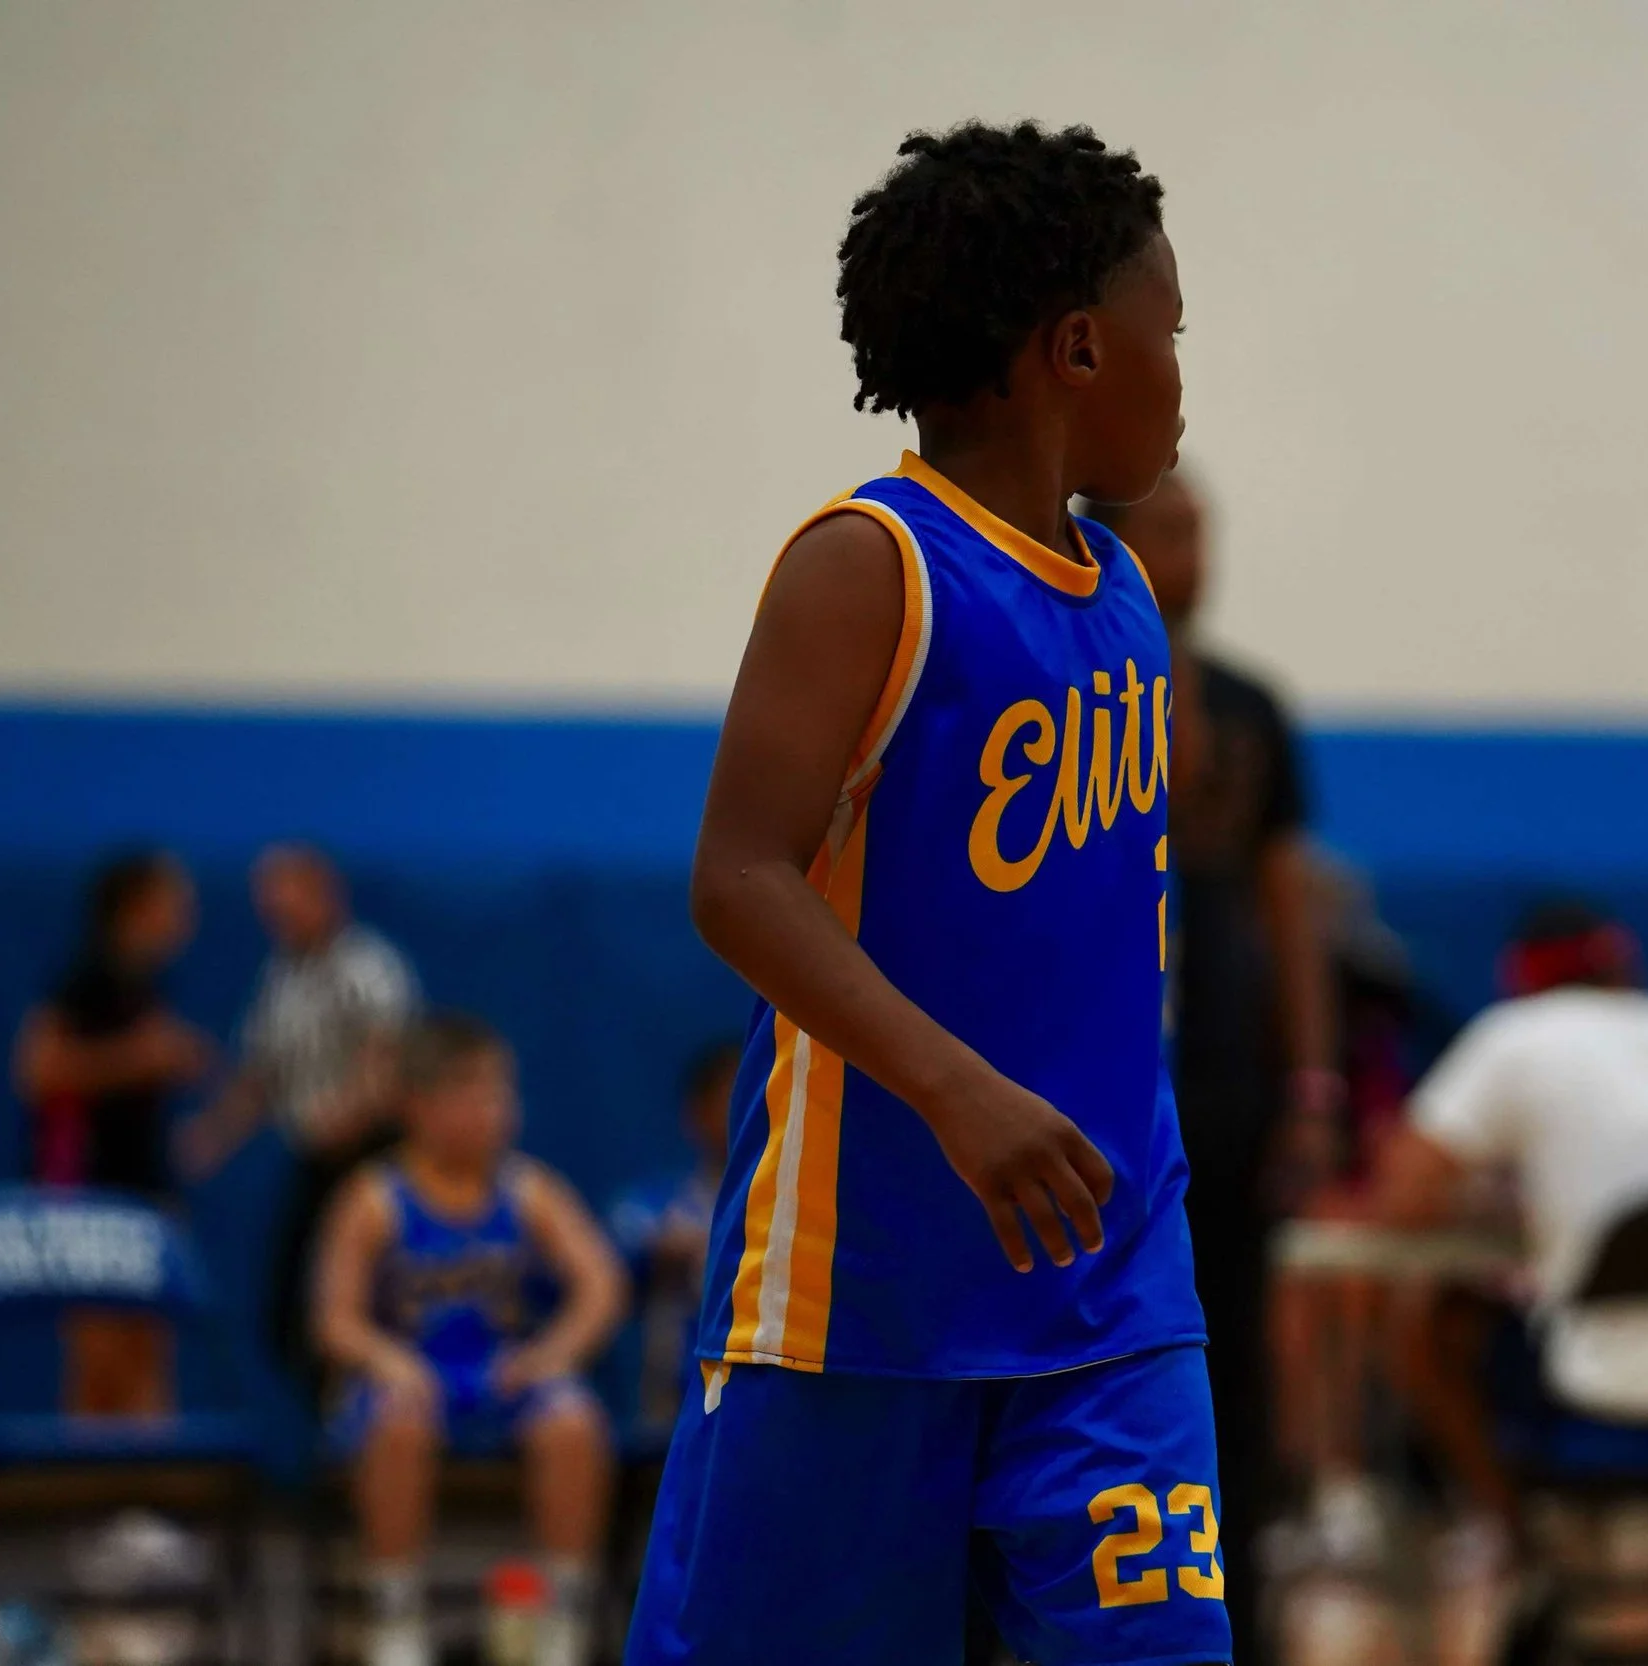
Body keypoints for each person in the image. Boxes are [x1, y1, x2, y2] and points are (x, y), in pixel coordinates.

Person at [625, 124, 1223, 1666]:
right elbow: (738, 876)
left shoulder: (1131, 594)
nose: (1184, 370)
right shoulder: (869, 563)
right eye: (1172, 332)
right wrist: (959, 1089)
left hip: (1106, 1292)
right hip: (859, 1304)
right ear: (1077, 347)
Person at [1084, 467, 1336, 1647]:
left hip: (1223, 1077)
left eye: (1205, 532)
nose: (1201, 554)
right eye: (1176, 531)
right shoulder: (1062, 681)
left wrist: (1312, 1087)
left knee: (1225, 1339)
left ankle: (1225, 1599)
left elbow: (1294, 902)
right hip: (1085, 1079)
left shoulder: (1250, 706)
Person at [1372, 901, 1648, 1551]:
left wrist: (1519, 1205)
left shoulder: (1515, 1037)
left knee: (1423, 1324)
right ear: (1626, 966)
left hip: (1600, 1390)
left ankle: (1518, 1545)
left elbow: (1401, 1200)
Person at [313, 1012, 625, 1666]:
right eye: (478, 1094)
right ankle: (394, 1613)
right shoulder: (374, 1197)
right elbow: (333, 1320)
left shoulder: (530, 1187)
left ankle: (560, 1615)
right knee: (398, 1423)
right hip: (410, 1378)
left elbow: (601, 1284)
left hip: (503, 1372)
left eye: (502, 1093)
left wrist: (555, 1352)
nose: (498, 1111)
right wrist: (387, 1359)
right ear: (421, 1106)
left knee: (573, 1422)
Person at [178, 843, 419, 1396]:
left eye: (285, 893)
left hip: (369, 1156)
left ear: (324, 892)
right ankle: (332, 1426)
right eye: (265, 897)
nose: (274, 908)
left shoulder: (368, 965)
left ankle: (376, 1411)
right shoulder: (282, 977)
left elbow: (387, 1057)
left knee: (368, 1293)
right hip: (314, 1158)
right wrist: (211, 1135)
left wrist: (348, 1115)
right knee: (291, 1307)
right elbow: (262, 1075)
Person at [13, 848, 216, 1415]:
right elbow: (36, 1069)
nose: (187, 914)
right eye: (175, 901)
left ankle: (145, 1493)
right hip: (88, 1190)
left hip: (143, 1189)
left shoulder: (147, 980)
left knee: (149, 1347)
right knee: (99, 1354)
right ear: (136, 906)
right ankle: (97, 1490)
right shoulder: (88, 976)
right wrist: (144, 1057)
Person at [608, 1041, 738, 1430]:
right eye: (733, 1099)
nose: (752, 1112)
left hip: (759, 1401)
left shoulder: (796, 1214)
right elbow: (628, 1247)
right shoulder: (653, 1206)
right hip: (672, 1410)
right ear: (697, 1113)